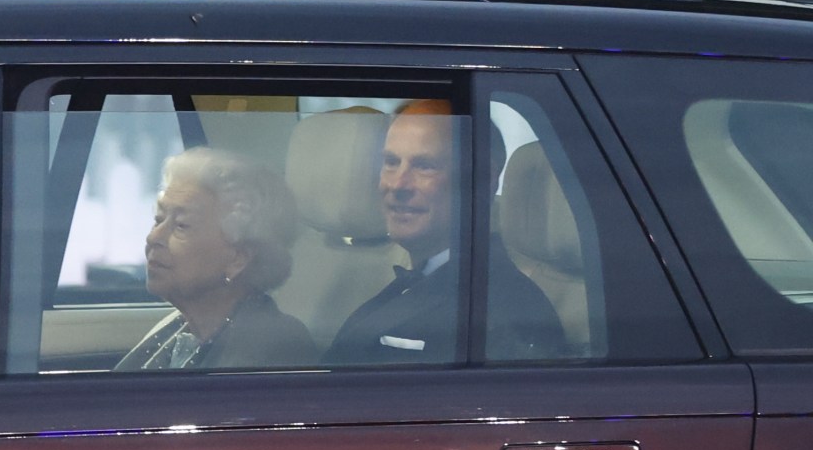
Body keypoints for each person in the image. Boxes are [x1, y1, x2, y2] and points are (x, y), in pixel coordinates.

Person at [324, 99, 564, 365]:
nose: (398, 184)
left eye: (424, 165)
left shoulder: (506, 313)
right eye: (391, 162)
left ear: (482, 180)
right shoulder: (419, 280)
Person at [116, 147, 316, 370]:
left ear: (237, 259)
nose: (153, 237)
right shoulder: (181, 326)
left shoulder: (274, 347)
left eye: (181, 225)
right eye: (159, 219)